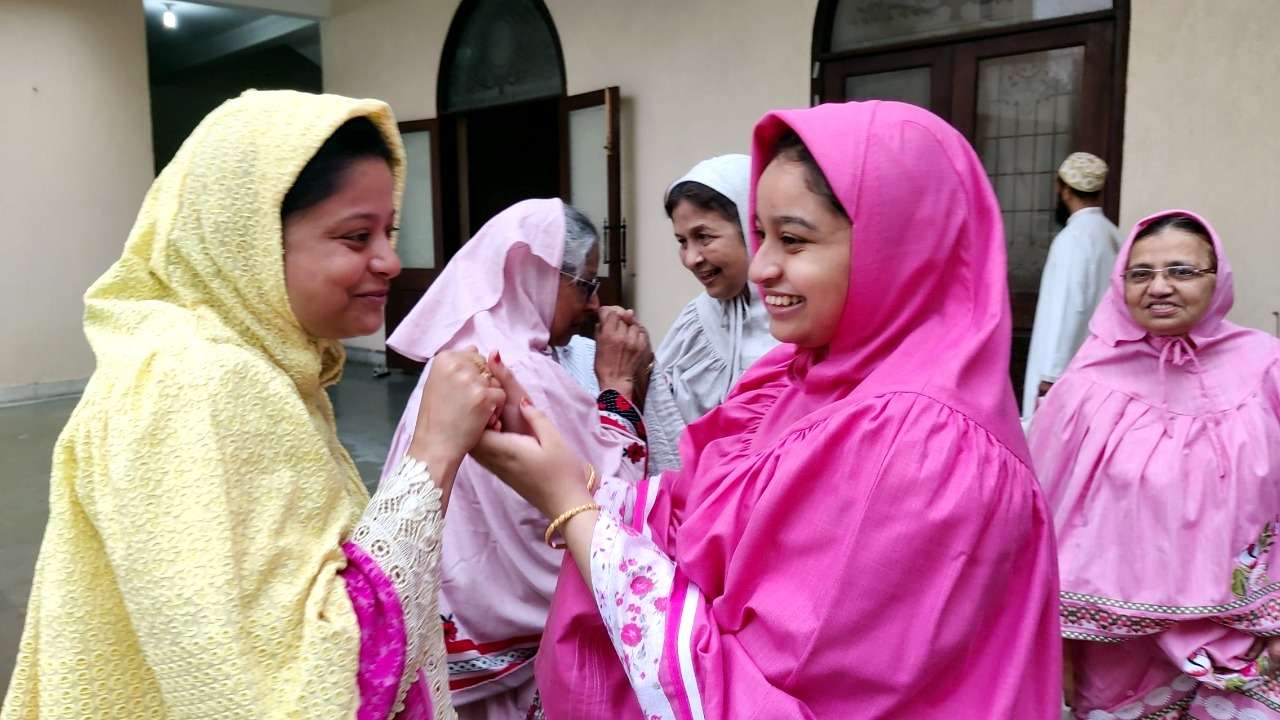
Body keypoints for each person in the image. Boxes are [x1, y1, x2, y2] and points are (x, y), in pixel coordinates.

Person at [471, 101, 1062, 718]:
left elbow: (766, 691)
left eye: (794, 240)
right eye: (760, 235)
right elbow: (694, 519)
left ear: (902, 245)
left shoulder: (919, 441)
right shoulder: (799, 373)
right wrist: (564, 470)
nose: (760, 267)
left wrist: (570, 507)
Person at [1, 90, 500, 718]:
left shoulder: (251, 365)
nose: (390, 261)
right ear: (250, 240)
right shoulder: (197, 384)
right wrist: (432, 457)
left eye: (388, 230)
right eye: (354, 237)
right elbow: (292, 687)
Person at [381, 198, 653, 720]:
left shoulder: (461, 351)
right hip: (505, 650)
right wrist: (617, 385)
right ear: (533, 269)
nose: (594, 305)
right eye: (585, 285)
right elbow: (601, 500)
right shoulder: (519, 369)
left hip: (444, 625)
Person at [1029, 210, 1280, 718]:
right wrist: (1052, 648)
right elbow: (1039, 519)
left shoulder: (1266, 365)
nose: (1159, 287)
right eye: (1140, 274)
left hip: (1242, 631)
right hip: (1112, 641)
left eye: (1182, 271)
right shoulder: (1085, 384)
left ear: (1218, 277)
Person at [644, 154, 778, 471]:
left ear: (752, 228)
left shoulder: (802, 322)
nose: (691, 258)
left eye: (704, 237)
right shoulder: (697, 324)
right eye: (682, 241)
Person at [1021, 151, 1120, 424]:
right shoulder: (1112, 235)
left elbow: (1067, 307)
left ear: (1064, 189)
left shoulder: (1073, 238)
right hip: (1098, 369)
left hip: (1065, 372)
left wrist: (1050, 376)